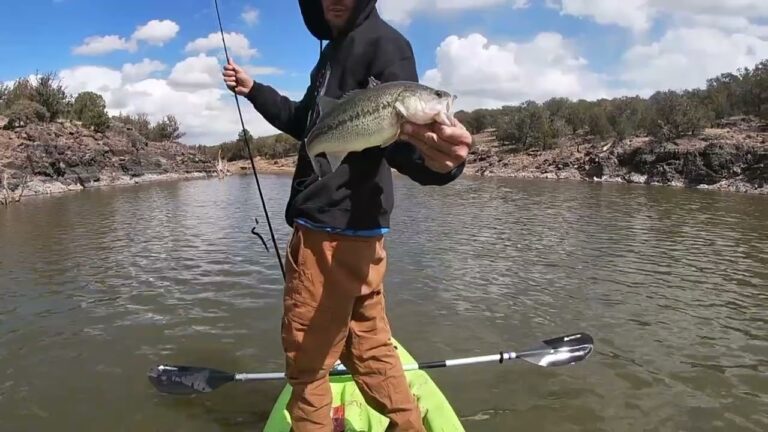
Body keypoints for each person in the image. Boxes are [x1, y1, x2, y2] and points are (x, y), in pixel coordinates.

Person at [222, 0, 472, 430]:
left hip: (327, 236)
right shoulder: (331, 53)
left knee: (308, 364)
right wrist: (253, 88)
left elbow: (404, 140)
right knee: (370, 345)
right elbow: (307, 123)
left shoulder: (386, 44)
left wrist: (442, 163)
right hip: (360, 236)